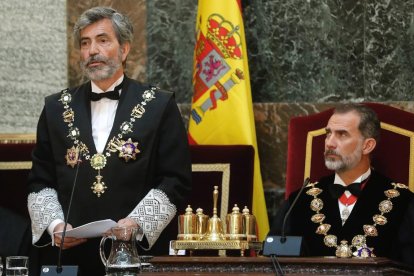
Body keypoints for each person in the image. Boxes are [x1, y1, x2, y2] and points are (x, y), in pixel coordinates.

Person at [27, 6, 192, 275]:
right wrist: (56, 225)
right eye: (85, 43)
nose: (92, 50)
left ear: (124, 49)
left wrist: (136, 224)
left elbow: (176, 179)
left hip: (136, 255)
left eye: (103, 40)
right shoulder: (56, 108)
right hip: (70, 256)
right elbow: (39, 181)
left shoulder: (159, 106)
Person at [268, 103, 414, 266]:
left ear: (367, 145)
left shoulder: (402, 202)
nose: (330, 143)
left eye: (342, 134)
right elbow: (273, 263)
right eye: (328, 133)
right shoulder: (299, 201)